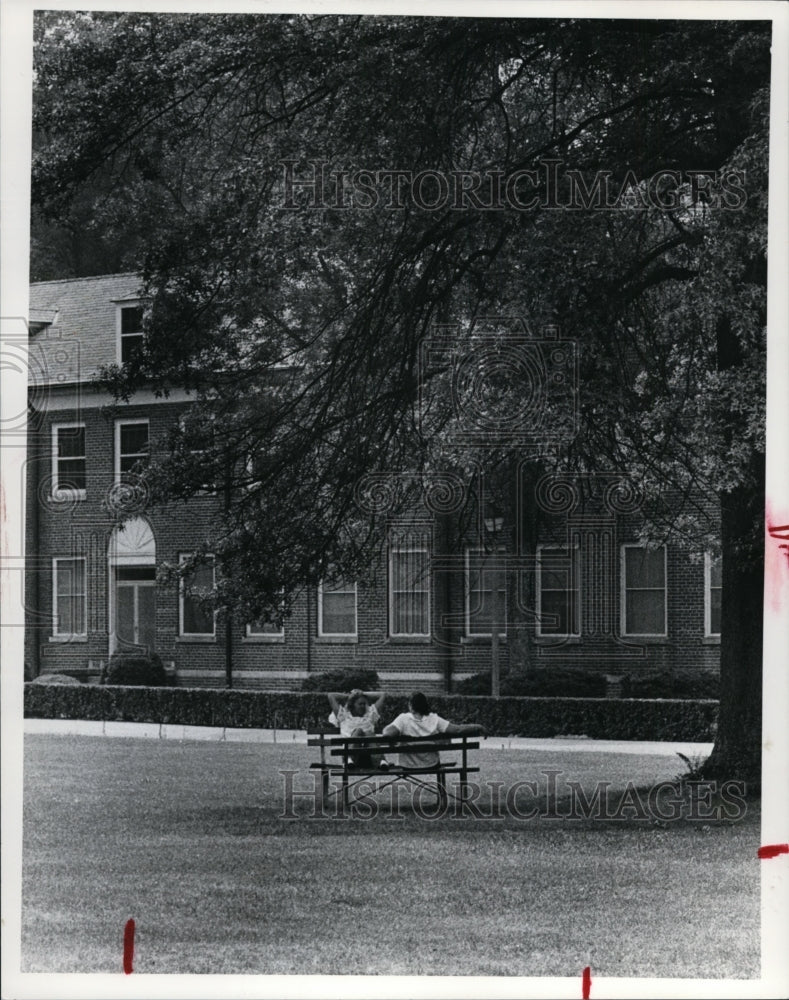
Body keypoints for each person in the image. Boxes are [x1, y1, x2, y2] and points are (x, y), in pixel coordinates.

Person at [382, 691, 485, 770]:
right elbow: (457, 730)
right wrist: (478, 726)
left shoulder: (403, 719)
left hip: (408, 765)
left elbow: (386, 733)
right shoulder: (434, 719)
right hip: (431, 764)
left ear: (411, 706)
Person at [326, 689, 390, 768]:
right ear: (352, 705)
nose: (363, 706)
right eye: (360, 704)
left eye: (364, 704)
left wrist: (362, 693)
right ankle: (348, 760)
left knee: (369, 733)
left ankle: (381, 762)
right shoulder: (344, 716)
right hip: (351, 756)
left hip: (370, 757)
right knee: (358, 731)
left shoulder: (370, 715)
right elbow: (331, 695)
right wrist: (350, 696)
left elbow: (382, 695)